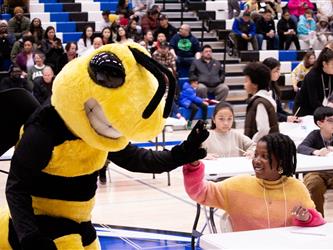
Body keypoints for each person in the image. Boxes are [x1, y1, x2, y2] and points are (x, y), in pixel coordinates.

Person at [183, 132, 325, 232]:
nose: (257, 160)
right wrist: (193, 166)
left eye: (264, 156)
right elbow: (201, 192)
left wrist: (306, 218)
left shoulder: (297, 188)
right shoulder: (238, 185)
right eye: (256, 154)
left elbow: (317, 219)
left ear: (281, 161)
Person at [297, 106, 333, 216]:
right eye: (330, 120)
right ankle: (317, 218)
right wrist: (316, 152)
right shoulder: (314, 135)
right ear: (320, 123)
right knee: (313, 185)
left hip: (331, 171)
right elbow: (301, 147)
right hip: (316, 172)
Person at [243, 62, 279, 142]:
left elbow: (263, 130)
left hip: (262, 148)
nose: (244, 84)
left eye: (246, 81)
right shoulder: (266, 98)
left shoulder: (260, 102)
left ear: (255, 84)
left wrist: (251, 144)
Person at [293, 47, 333, 116]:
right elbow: (314, 101)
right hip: (303, 110)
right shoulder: (312, 76)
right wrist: (327, 112)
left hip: (319, 108)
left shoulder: (330, 73)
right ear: (324, 64)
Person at [262, 57, 300, 123]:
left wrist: (292, 117)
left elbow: (279, 111)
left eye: (279, 70)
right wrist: (286, 118)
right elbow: (268, 113)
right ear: (267, 72)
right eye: (276, 71)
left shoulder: (273, 86)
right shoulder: (263, 90)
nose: (279, 73)